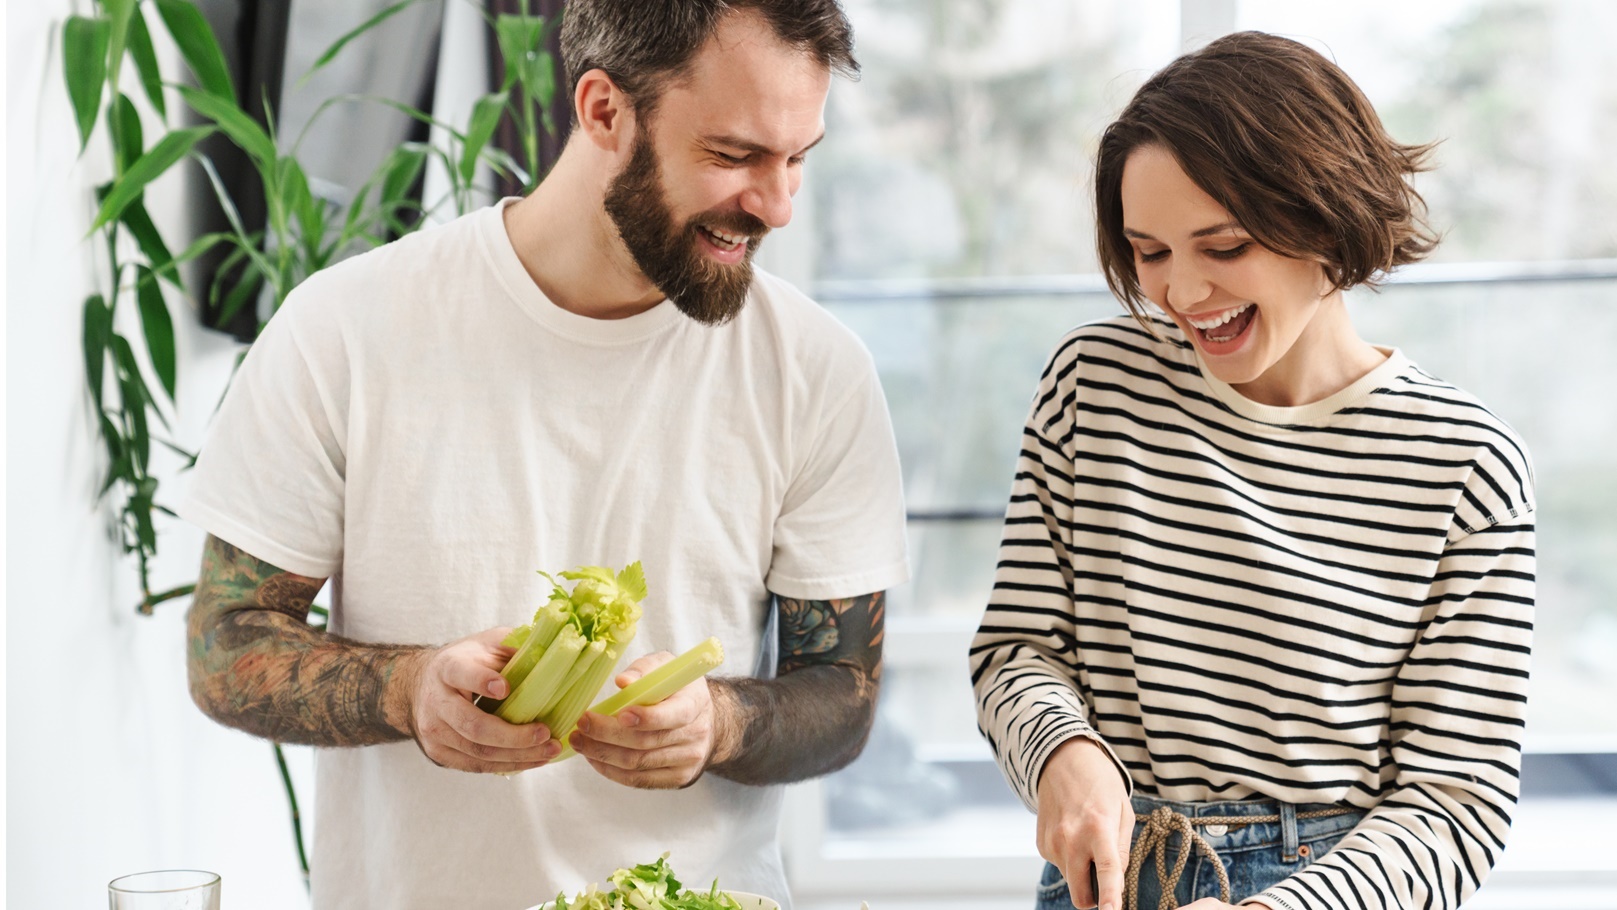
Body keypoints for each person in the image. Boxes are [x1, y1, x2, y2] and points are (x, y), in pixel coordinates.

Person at [179, 3, 909, 908]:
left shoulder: (816, 371)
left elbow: (841, 690)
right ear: (603, 110)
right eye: (733, 156)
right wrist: (408, 691)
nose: (777, 205)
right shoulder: (346, 331)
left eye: (798, 157)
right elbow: (224, 645)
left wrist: (719, 724)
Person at [970, 31, 1534, 910]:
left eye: (1223, 246)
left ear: (1325, 215)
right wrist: (1065, 758)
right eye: (1149, 252)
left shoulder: (1465, 465)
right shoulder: (1096, 384)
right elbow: (1016, 651)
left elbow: (1453, 801)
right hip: (1121, 872)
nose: (1182, 292)